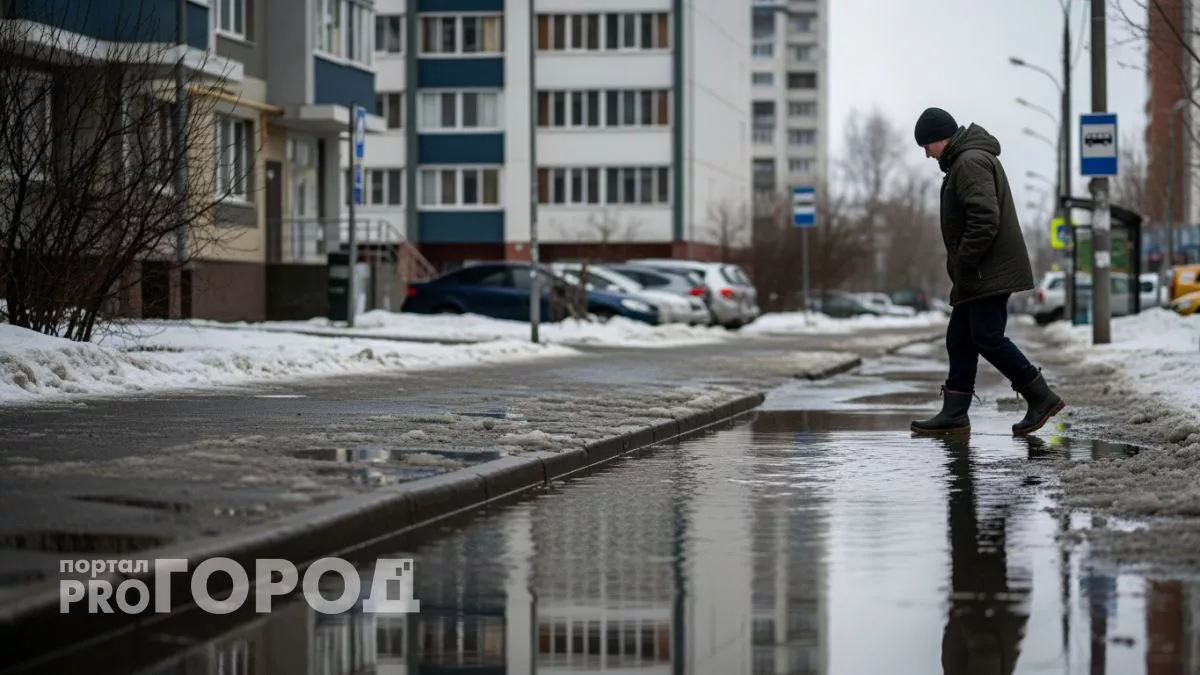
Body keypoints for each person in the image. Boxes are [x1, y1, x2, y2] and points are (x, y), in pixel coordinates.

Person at [910, 107, 1065, 436]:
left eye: (926, 146)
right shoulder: (965, 161)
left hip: (986, 271)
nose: (926, 154)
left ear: (940, 138)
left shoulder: (968, 163)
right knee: (960, 338)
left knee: (987, 337)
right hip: (980, 271)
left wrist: (965, 260)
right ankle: (954, 413)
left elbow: (984, 218)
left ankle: (1041, 396)